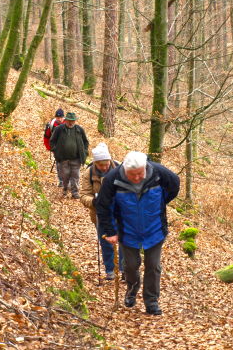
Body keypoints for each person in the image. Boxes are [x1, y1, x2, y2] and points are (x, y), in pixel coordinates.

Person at [96, 151, 180, 316]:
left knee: (153, 266)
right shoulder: (113, 180)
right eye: (132, 174)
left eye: (140, 174)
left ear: (145, 167)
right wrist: (110, 231)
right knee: (131, 265)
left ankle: (151, 301)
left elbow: (174, 186)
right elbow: (102, 206)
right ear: (124, 169)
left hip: (154, 229)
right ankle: (132, 290)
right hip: (128, 231)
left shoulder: (160, 173)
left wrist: (161, 204)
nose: (136, 178)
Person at [80, 143, 123, 280]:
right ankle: (110, 270)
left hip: (121, 213)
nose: (104, 168)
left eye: (106, 164)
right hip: (100, 215)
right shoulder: (89, 173)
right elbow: (84, 195)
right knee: (105, 242)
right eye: (101, 165)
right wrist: (94, 202)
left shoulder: (120, 168)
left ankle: (124, 270)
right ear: (95, 163)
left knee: (124, 241)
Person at [49, 112, 89, 199]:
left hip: (76, 158)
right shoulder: (59, 129)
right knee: (65, 175)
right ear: (66, 120)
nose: (71, 123)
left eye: (73, 121)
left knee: (75, 176)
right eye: (69, 120)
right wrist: (56, 150)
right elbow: (52, 141)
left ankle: (75, 192)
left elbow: (85, 142)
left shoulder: (79, 130)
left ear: (75, 121)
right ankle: (66, 187)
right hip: (63, 159)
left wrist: (85, 152)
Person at [43, 108, 65, 187]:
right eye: (58, 117)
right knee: (59, 164)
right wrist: (50, 148)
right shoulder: (51, 125)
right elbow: (46, 137)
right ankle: (61, 180)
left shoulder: (68, 124)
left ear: (63, 117)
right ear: (55, 117)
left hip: (67, 148)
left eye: (61, 117)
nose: (60, 119)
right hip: (56, 148)